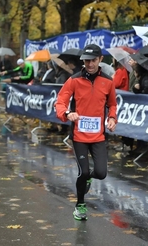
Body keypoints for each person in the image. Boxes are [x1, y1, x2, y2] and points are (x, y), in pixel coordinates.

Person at [55, 44, 117, 221]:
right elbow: (60, 102)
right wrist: (67, 113)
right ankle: (80, 205)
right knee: (83, 172)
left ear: (100, 60)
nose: (89, 64)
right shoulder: (74, 80)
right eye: (86, 60)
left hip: (98, 136)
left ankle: (88, 179)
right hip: (79, 136)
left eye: (93, 60)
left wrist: (112, 118)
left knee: (101, 173)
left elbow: (112, 104)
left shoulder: (108, 82)